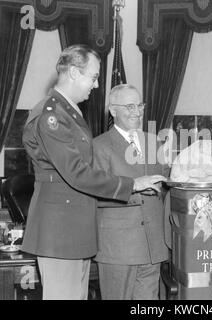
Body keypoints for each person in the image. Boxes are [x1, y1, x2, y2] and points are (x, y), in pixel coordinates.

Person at [21, 45, 166, 300]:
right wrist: (132, 184)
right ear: (75, 73)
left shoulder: (70, 112)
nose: (97, 85)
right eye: (94, 76)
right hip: (60, 231)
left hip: (75, 230)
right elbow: (77, 172)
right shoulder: (52, 114)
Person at [93, 84, 170, 300]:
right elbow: (94, 194)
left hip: (152, 247)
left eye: (140, 105)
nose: (137, 112)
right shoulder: (98, 146)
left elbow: (169, 180)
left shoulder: (154, 142)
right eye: (129, 106)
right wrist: (134, 187)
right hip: (118, 249)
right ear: (113, 110)